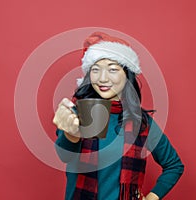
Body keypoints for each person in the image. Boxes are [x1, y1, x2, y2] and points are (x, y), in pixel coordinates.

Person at [53, 32, 184, 200]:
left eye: (112, 69)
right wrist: (72, 133)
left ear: (127, 74)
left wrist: (152, 198)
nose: (102, 78)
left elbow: (174, 165)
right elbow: (65, 156)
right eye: (95, 70)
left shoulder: (141, 123)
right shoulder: (78, 113)